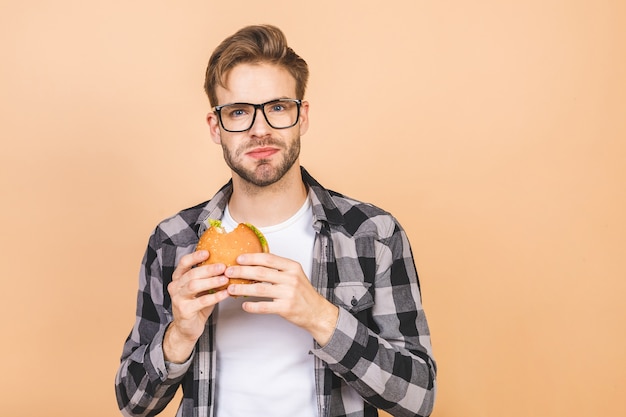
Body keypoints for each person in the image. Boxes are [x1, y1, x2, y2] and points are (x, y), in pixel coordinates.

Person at [115, 24, 436, 417]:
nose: (260, 128)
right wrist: (179, 334)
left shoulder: (373, 234)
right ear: (216, 128)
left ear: (302, 116)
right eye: (238, 112)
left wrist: (320, 316)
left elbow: (419, 398)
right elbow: (132, 404)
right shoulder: (173, 241)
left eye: (278, 107)